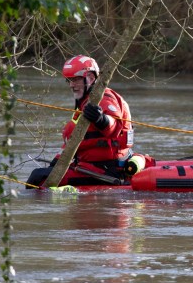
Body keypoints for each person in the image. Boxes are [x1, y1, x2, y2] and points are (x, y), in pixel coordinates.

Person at [26, 55, 135, 187]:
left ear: (90, 78)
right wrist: (55, 164)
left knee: (38, 179)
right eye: (69, 80)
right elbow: (72, 141)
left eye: (76, 80)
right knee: (44, 172)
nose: (72, 85)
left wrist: (101, 119)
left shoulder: (104, 99)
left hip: (106, 172)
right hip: (90, 167)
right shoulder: (83, 103)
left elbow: (114, 126)